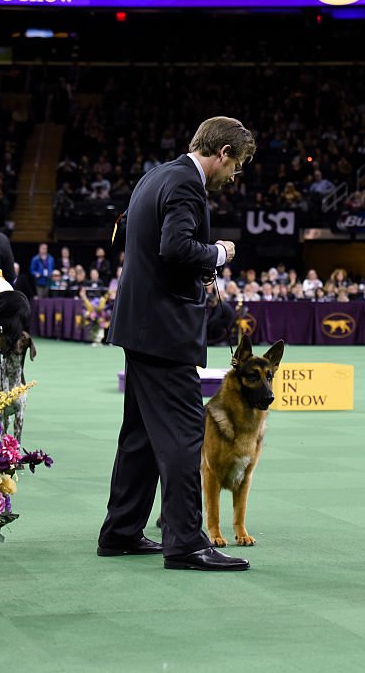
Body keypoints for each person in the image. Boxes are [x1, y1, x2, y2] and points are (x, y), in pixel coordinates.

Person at [98, 116, 254, 572]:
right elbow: (176, 247)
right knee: (187, 436)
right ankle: (186, 543)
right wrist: (218, 254)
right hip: (165, 332)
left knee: (141, 436)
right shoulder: (188, 185)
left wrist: (199, 269)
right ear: (222, 153)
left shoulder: (157, 175)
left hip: (142, 326)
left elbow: (156, 249)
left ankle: (121, 532)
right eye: (236, 166)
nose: (233, 176)